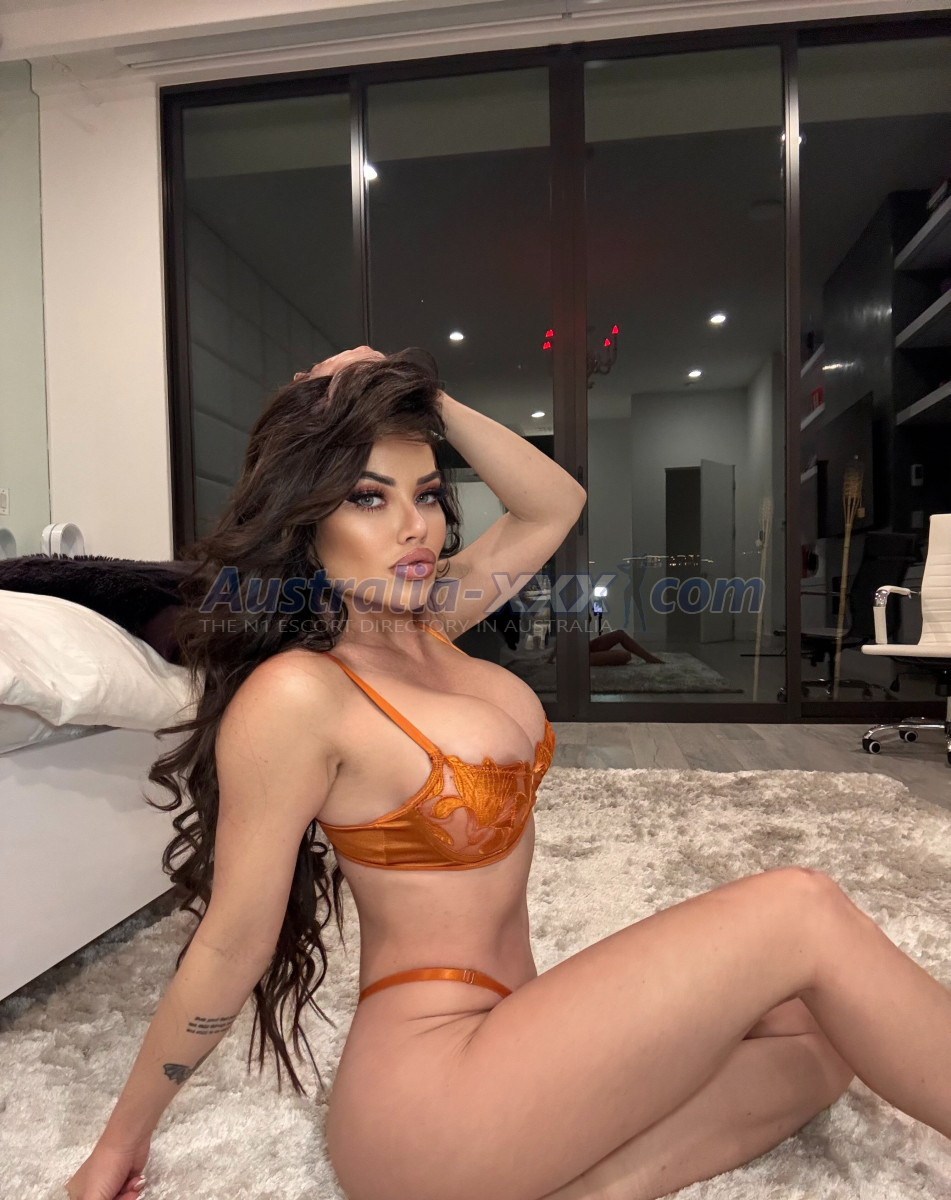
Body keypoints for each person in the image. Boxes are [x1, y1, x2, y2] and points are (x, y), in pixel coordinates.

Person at [66, 347, 951, 1200]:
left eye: (426, 494)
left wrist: (425, 396)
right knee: (800, 910)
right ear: (304, 523)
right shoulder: (302, 693)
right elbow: (231, 945)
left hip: (509, 1049)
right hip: (428, 1096)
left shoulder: (427, 623)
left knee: (819, 1033)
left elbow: (552, 504)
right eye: (368, 499)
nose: (415, 526)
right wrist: (121, 1141)